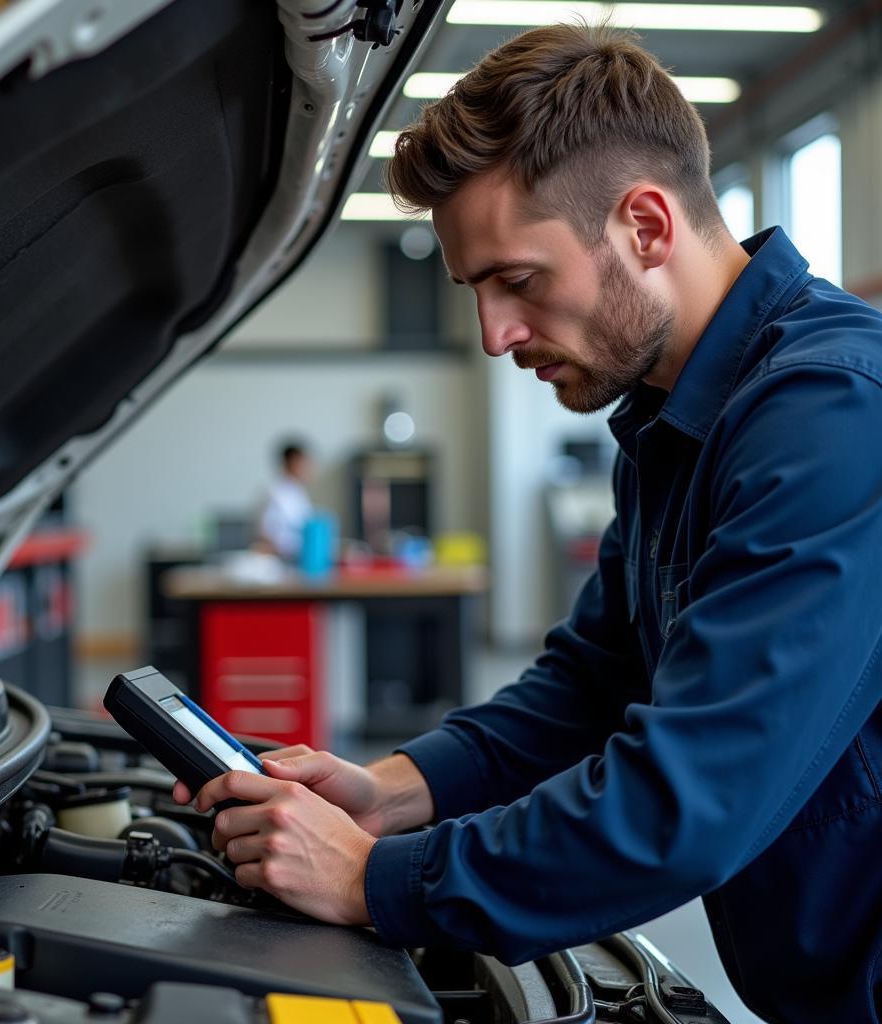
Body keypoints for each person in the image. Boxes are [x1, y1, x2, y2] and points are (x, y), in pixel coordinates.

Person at [175, 24, 882, 1021]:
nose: (494, 335)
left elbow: (689, 799)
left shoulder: (836, 413)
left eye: (517, 280)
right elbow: (588, 684)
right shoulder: (674, 423)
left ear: (644, 226)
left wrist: (373, 881)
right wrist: (393, 788)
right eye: (475, 291)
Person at [255, 440, 313, 561]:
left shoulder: (299, 493)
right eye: (303, 464)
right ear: (292, 462)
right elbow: (266, 535)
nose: (308, 469)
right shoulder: (275, 493)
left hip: (299, 557)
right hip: (282, 559)